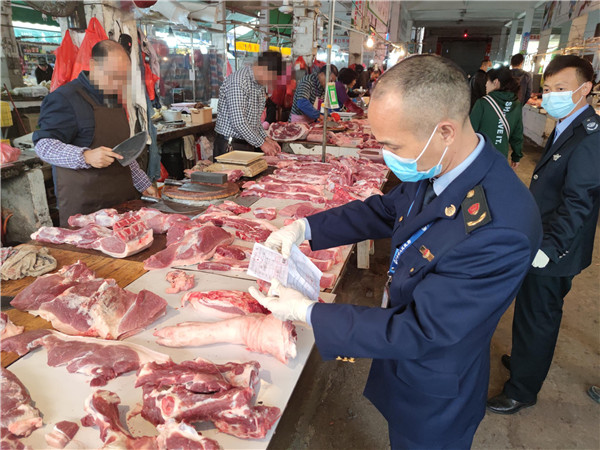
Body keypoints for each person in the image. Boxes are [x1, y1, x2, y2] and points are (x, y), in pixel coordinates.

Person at [249, 55, 542, 448]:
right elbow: (387, 209)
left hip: (433, 389)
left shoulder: (500, 227)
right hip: (401, 359)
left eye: (392, 145)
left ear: (445, 132)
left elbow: (422, 331)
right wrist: (305, 228)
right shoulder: (440, 164)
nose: (386, 154)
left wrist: (308, 312)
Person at [487, 55, 600, 415]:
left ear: (586, 88)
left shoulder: (590, 136)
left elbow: (578, 202)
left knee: (540, 316)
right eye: (548, 88)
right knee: (530, 309)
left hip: (556, 247)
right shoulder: (569, 124)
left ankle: (522, 389)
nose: (551, 96)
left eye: (561, 88)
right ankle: (526, 361)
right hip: (543, 236)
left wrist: (549, 248)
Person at [33, 40, 156, 227]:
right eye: (112, 76)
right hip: (87, 212)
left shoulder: (112, 98)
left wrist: (143, 183)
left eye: (123, 77)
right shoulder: (64, 98)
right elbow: (44, 145)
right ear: (93, 65)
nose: (118, 84)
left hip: (122, 204)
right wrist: (85, 156)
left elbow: (121, 151)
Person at [214, 51, 283, 158]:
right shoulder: (239, 82)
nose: (269, 81)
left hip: (246, 143)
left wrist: (266, 139)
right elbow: (239, 122)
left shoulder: (258, 85)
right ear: (262, 68)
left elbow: (255, 121)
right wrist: (262, 144)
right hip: (230, 145)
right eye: (270, 77)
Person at [470, 66, 523, 168]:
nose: (485, 84)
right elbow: (517, 133)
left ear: (496, 82)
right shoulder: (516, 104)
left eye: (487, 81)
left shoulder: (482, 103)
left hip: (480, 156)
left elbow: (471, 131)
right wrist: (516, 156)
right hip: (501, 156)